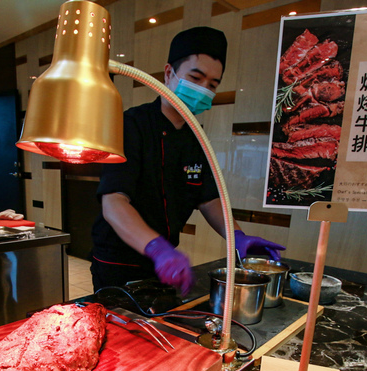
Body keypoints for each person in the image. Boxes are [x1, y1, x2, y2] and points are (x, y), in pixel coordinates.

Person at [90, 26, 284, 295]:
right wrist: (156, 248)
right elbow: (113, 204)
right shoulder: (131, 124)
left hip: (167, 264)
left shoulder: (196, 135)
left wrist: (237, 236)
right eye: (196, 78)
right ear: (169, 74)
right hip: (119, 261)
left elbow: (207, 198)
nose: (203, 89)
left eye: (212, 85)